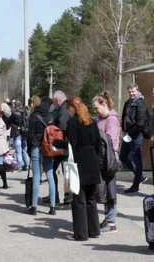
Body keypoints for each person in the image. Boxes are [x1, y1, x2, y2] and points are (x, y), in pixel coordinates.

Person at [53, 96, 101, 241]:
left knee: (79, 199)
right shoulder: (91, 121)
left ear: (72, 108)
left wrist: (57, 142)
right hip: (92, 160)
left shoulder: (73, 122)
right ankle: (94, 231)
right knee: (91, 198)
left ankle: (81, 234)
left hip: (79, 162)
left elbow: (71, 144)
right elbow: (98, 142)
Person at [92, 92, 120, 233]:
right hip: (103, 157)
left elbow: (109, 140)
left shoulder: (112, 120)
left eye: (96, 108)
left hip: (109, 158)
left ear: (104, 104)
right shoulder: (101, 119)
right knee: (104, 189)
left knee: (110, 191)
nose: (95, 111)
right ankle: (109, 219)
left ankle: (111, 222)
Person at [26, 96, 56, 216]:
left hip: (36, 147)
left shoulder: (34, 116)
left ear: (34, 104)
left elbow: (30, 135)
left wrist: (29, 149)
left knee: (37, 177)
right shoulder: (49, 115)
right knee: (50, 176)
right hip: (47, 148)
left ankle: (34, 207)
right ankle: (53, 207)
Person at [43, 90, 72, 205]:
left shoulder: (63, 110)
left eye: (54, 102)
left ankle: (64, 196)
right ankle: (59, 195)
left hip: (62, 147)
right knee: (64, 171)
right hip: (64, 146)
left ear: (58, 100)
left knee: (56, 171)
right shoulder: (65, 108)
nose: (53, 104)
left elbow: (62, 129)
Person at [120, 83, 149, 193]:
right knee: (123, 157)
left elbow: (140, 123)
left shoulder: (140, 104)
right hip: (127, 134)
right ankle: (140, 176)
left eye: (133, 91)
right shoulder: (128, 102)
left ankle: (135, 185)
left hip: (136, 135)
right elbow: (124, 116)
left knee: (137, 160)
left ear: (137, 91)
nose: (131, 93)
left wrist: (131, 133)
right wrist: (123, 129)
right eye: (130, 92)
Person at [9, 100, 29, 171]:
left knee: (18, 150)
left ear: (16, 106)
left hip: (17, 133)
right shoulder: (25, 112)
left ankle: (20, 166)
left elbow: (9, 121)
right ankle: (26, 165)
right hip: (24, 132)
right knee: (24, 149)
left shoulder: (15, 113)